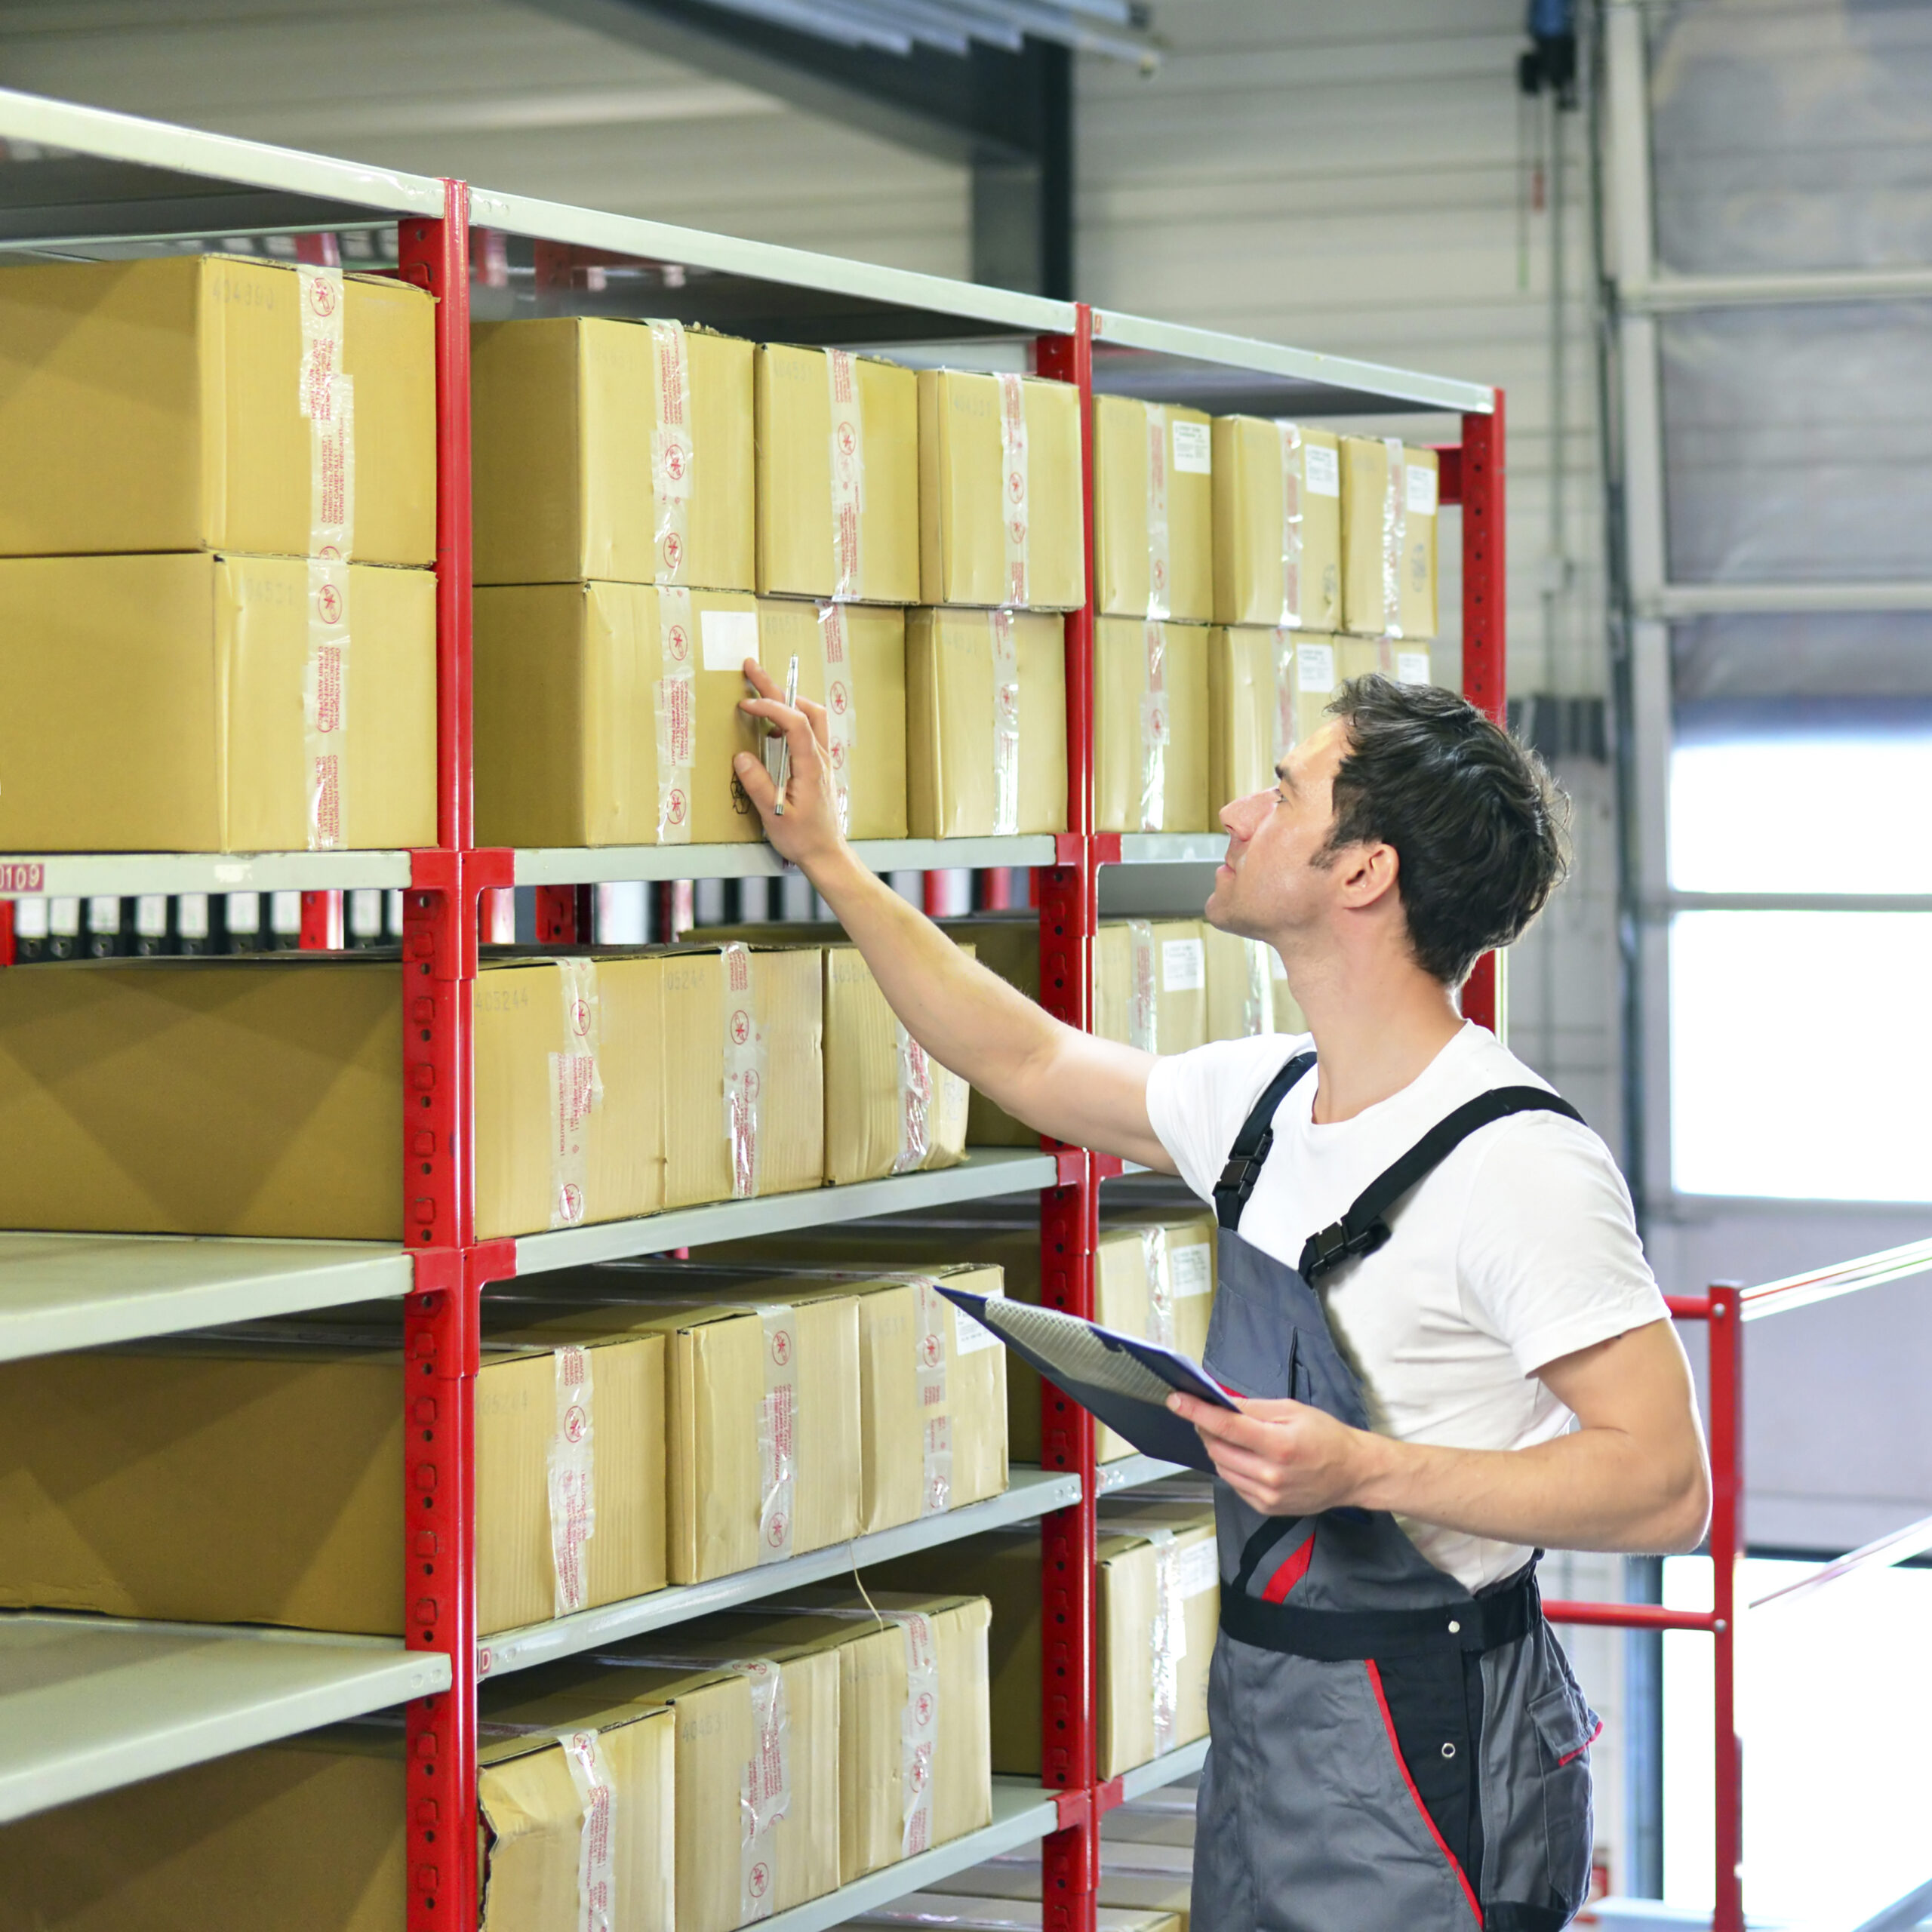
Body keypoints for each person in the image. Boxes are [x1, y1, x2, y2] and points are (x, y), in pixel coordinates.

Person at [733, 659, 1709, 1932]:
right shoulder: (1263, 1103)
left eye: (1283, 790)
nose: (1242, 816)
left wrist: (1363, 1468)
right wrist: (834, 862)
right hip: (1265, 1705)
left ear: (1364, 872)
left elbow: (1664, 1487)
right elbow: (1025, 1056)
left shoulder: (1518, 1159)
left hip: (1434, 1728)